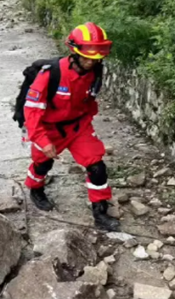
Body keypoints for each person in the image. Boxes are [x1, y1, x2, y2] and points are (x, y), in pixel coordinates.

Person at [22, 22, 119, 231]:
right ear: (74, 52)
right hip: (48, 128)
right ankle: (35, 189)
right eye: (87, 57)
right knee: (42, 165)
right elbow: (31, 113)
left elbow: (89, 101)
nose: (91, 62)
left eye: (96, 58)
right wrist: (42, 140)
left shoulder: (95, 72)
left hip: (77, 127)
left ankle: (100, 212)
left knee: (97, 166)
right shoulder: (50, 75)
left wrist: (88, 121)